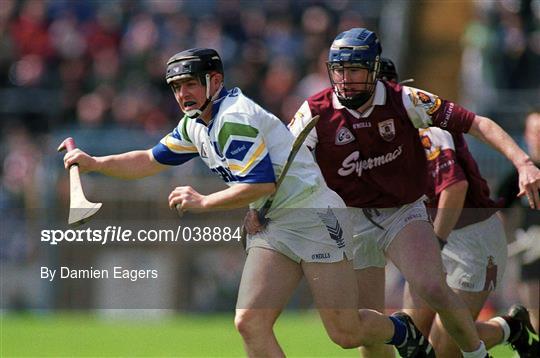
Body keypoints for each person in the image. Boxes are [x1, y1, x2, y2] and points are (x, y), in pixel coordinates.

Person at [62, 48, 435, 358]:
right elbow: (149, 158)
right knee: (249, 322)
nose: (182, 94)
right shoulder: (196, 123)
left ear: (215, 82)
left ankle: (402, 330)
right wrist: (95, 164)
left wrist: (204, 202)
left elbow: (259, 184)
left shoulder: (233, 119)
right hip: (273, 221)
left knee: (345, 332)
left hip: (314, 217)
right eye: (176, 87)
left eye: (190, 83)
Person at [245, 28, 540, 358]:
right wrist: (259, 207)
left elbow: (477, 123)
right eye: (340, 69)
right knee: (366, 333)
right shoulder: (314, 111)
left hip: (402, 212)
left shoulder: (404, 100)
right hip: (351, 220)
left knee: (431, 287)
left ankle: (476, 354)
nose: (346, 78)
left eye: (355, 69)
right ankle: (411, 335)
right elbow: (282, 161)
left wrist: (523, 161)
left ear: (373, 70)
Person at [380, 57, 539, 358]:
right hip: (432, 236)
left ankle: (508, 328)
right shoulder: (375, 138)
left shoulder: (425, 128)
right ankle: (512, 326)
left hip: (470, 240)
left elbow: (454, 187)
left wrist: (432, 243)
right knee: (413, 337)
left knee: (445, 349)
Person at [497, 110, 540, 332]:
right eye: (535, 132)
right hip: (531, 254)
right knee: (536, 319)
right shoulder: (518, 175)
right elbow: (499, 210)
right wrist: (501, 243)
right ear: (527, 134)